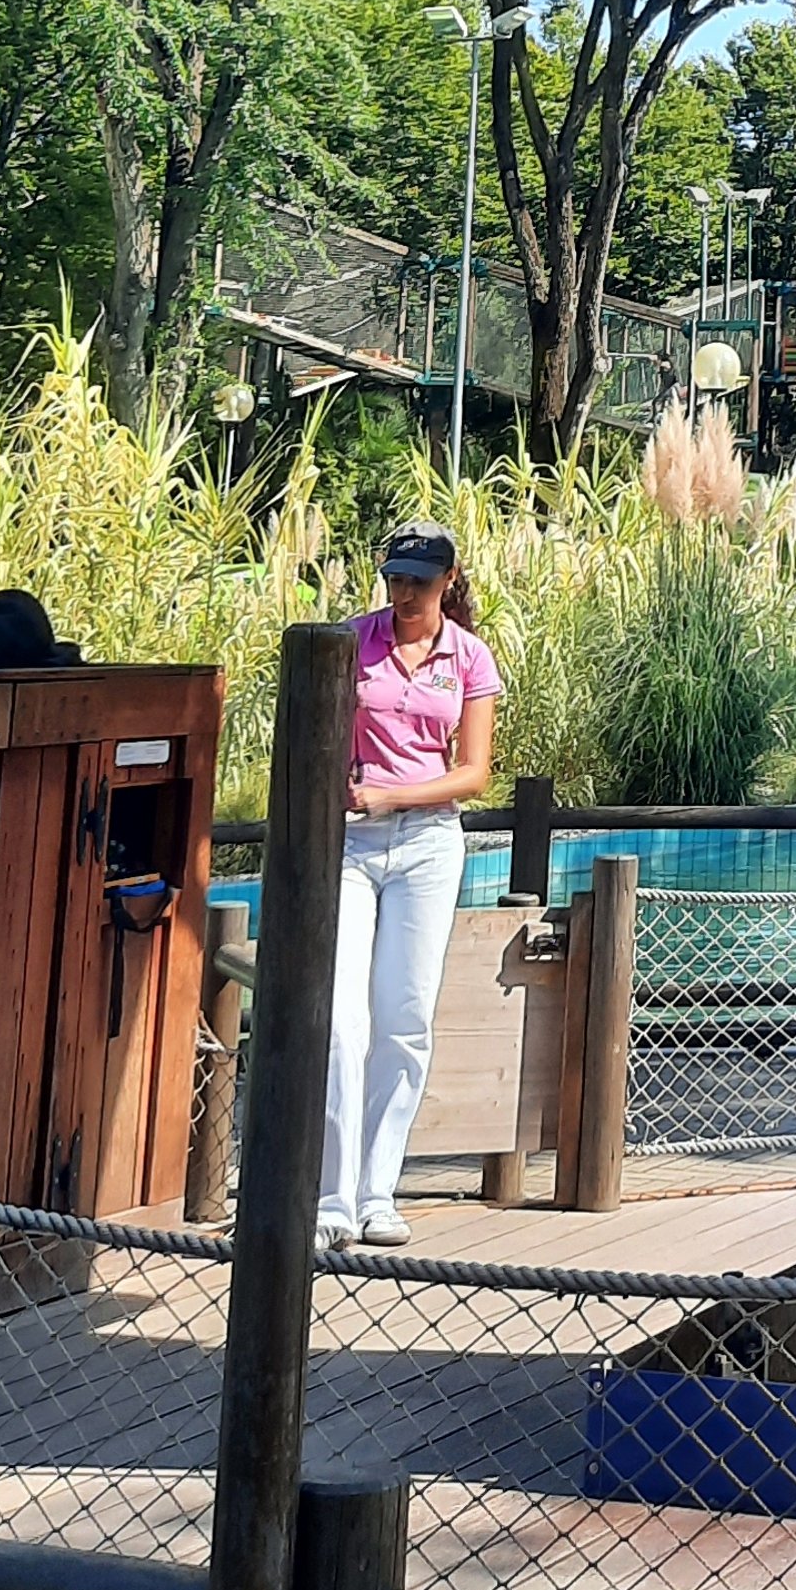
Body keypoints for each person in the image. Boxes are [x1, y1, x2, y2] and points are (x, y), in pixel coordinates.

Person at [320, 526, 502, 1249]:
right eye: (395, 577)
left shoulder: (470, 656)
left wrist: (396, 798)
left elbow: (474, 771)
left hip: (426, 845)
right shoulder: (349, 641)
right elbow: (317, 730)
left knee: (406, 1019)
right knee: (339, 1020)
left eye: (418, 581)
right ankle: (332, 1195)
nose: (403, 592)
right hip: (350, 844)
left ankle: (378, 1190)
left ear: (448, 578)